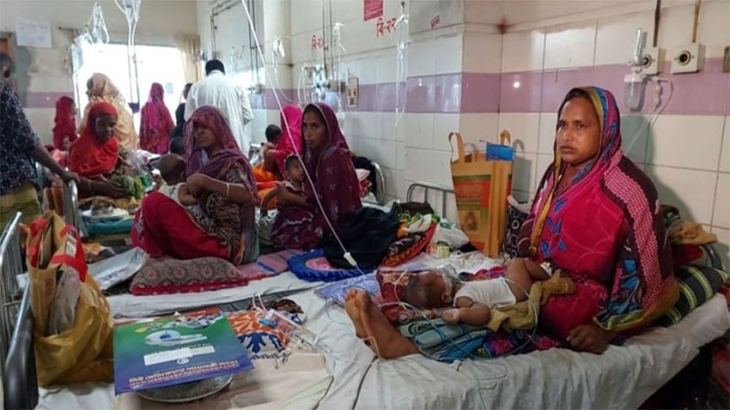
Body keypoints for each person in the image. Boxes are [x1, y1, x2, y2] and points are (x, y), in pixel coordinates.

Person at [343, 86, 677, 359]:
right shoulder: (557, 173)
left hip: (582, 294)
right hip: (541, 274)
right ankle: (400, 325)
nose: (566, 135)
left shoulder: (630, 190)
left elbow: (651, 283)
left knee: (507, 315)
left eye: (580, 126)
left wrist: (605, 330)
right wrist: (521, 270)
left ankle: (408, 345)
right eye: (562, 125)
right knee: (465, 290)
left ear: (606, 129)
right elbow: (533, 233)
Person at [132, 106, 259, 265]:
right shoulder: (203, 164)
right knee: (149, 206)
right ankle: (159, 254)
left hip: (224, 242)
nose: (199, 132)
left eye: (205, 127)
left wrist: (207, 182)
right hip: (204, 229)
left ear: (218, 128)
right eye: (196, 127)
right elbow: (192, 199)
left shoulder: (231, 162)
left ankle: (163, 255)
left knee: (154, 202)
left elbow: (249, 195)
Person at [0, 52, 78, 229]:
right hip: (13, 186)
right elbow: (29, 141)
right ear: (6, 72)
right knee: (26, 240)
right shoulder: (3, 93)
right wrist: (62, 172)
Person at [272, 103, 361, 249]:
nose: (308, 133)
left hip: (339, 223)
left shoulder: (334, 157)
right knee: (286, 216)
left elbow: (329, 209)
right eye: (305, 126)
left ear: (328, 128)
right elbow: (312, 195)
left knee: (292, 230)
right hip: (319, 212)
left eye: (315, 126)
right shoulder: (312, 154)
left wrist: (291, 198)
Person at [402, 259, 552, 327]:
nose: (442, 272)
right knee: (518, 262)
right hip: (513, 290)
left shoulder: (460, 288)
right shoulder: (461, 299)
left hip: (506, 285)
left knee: (509, 265)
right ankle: (549, 275)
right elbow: (483, 312)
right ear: (446, 296)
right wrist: (461, 314)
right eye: (439, 276)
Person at [185, 60, 253, 156]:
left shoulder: (196, 88)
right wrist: (231, 122)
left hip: (208, 148)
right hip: (235, 140)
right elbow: (248, 115)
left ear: (206, 72)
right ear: (223, 72)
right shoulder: (236, 86)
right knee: (234, 164)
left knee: (212, 164)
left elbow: (189, 118)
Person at [264, 155, 318, 250]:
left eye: (302, 167)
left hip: (303, 217)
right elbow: (268, 196)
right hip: (287, 217)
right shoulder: (285, 186)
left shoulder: (306, 187)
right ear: (288, 174)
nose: (301, 170)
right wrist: (263, 208)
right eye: (296, 167)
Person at [80, 73, 138, 149]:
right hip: (125, 152)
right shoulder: (120, 108)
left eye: (90, 88)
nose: (87, 92)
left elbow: (83, 130)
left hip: (100, 150)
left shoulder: (93, 106)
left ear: (98, 88)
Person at [139, 83, 174, 154]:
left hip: (148, 146)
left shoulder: (144, 109)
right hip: (163, 146)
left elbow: (142, 128)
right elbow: (171, 126)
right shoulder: (163, 108)